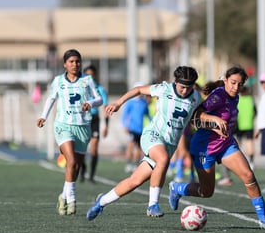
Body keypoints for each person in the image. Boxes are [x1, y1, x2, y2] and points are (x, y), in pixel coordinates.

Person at [168, 66, 265, 229]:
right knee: (206, 192)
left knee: (248, 176)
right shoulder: (218, 95)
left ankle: (263, 218)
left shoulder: (235, 97)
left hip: (225, 144)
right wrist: (214, 120)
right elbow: (196, 116)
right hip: (203, 147)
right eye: (233, 83)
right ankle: (177, 188)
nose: (236, 87)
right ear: (226, 80)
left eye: (240, 84)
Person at [86, 66, 202, 220]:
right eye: (182, 87)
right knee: (163, 159)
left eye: (188, 88)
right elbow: (139, 90)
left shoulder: (196, 97)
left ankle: (102, 201)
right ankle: (152, 204)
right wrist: (118, 103)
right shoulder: (164, 89)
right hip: (152, 136)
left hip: (169, 145)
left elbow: (199, 115)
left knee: (134, 181)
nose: (184, 91)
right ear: (175, 82)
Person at [36, 49, 102, 216]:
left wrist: (91, 103)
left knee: (77, 166)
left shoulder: (87, 80)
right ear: (65, 64)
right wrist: (43, 116)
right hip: (63, 126)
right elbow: (51, 98)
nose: (75, 64)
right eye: (71, 61)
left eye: (77, 61)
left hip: (82, 126)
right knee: (71, 161)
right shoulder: (58, 81)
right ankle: (72, 200)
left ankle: (63, 196)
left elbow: (99, 99)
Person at [218, 86, 256, 186]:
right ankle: (251, 163)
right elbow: (255, 112)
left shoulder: (237, 100)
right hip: (249, 125)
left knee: (235, 147)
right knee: (250, 144)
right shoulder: (251, 99)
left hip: (238, 126)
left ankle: (230, 171)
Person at [80, 64, 109, 183]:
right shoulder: (80, 87)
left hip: (94, 119)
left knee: (94, 149)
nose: (90, 77)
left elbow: (106, 108)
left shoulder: (100, 89)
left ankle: (91, 176)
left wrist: (106, 126)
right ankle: (82, 170)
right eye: (88, 75)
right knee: (81, 148)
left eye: (92, 75)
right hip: (82, 119)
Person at [121, 82, 150, 173]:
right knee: (131, 145)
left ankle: (135, 164)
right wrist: (125, 125)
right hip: (132, 128)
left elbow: (147, 115)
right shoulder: (130, 102)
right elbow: (125, 115)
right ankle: (128, 164)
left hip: (141, 129)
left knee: (138, 147)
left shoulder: (143, 102)